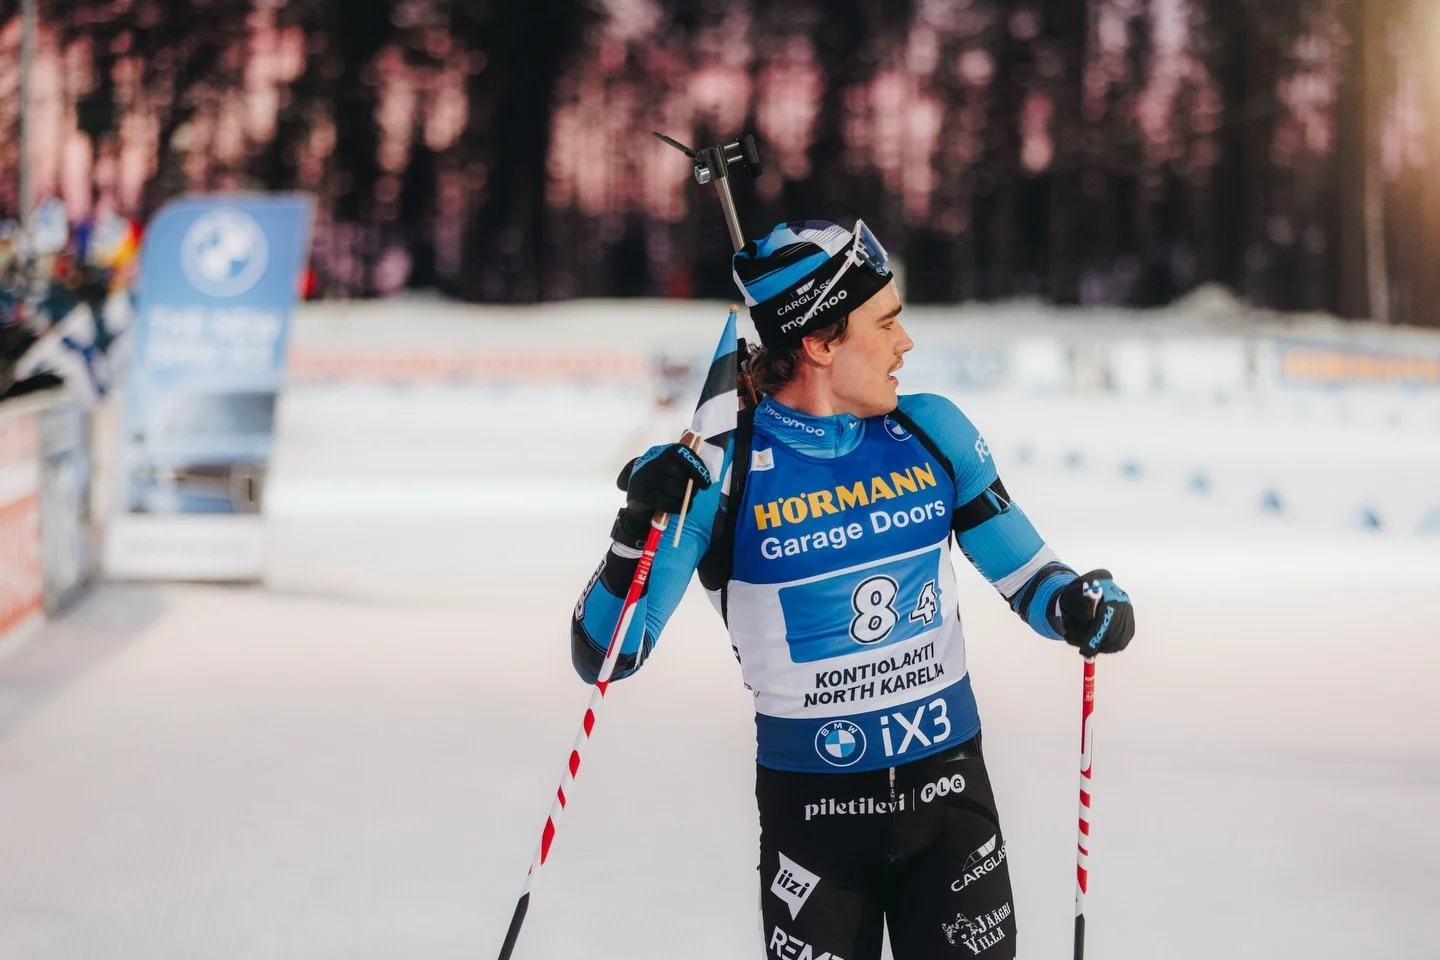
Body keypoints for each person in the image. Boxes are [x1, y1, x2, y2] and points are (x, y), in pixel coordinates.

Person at [569, 220, 1136, 960]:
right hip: (816, 827)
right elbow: (606, 654)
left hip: (949, 802)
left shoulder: (931, 432)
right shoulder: (717, 473)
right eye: (887, 323)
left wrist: (1079, 606)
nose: (906, 344)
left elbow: (1032, 577)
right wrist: (633, 528)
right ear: (819, 342)